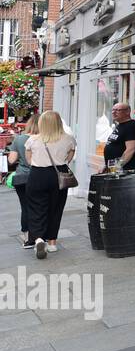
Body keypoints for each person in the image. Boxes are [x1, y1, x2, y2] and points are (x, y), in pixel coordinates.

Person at [25, 111, 76, 259]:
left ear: (41, 123)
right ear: (59, 122)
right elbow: (69, 158)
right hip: (59, 175)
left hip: (38, 175)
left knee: (36, 208)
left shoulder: (33, 140)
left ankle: (39, 239)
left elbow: (29, 160)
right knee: (56, 208)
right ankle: (52, 243)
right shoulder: (69, 139)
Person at [7, 116, 37, 245]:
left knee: (25, 207)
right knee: (39, 206)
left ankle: (27, 236)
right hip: (38, 176)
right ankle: (40, 235)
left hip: (21, 178)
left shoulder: (19, 139)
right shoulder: (43, 139)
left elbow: (11, 160)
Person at [102, 102, 135, 171]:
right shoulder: (120, 125)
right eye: (113, 110)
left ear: (127, 112)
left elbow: (130, 150)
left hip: (123, 171)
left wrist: (117, 167)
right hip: (113, 170)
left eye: (117, 110)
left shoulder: (131, 126)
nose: (113, 112)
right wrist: (106, 166)